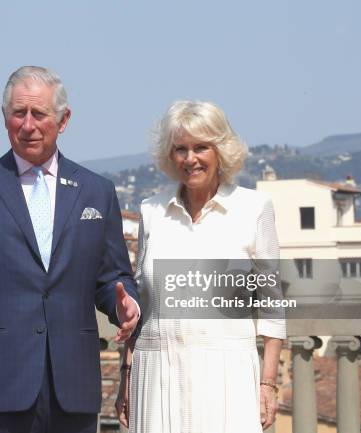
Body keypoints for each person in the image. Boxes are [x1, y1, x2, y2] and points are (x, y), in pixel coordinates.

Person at [0, 66, 141, 433]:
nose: (28, 125)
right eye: (19, 113)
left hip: (73, 385)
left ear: (63, 120)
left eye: (39, 114)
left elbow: (112, 276)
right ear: (5, 118)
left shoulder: (97, 191)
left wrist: (125, 303)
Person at [116, 100, 285, 433]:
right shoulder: (152, 211)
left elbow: (272, 305)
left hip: (227, 374)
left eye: (200, 148)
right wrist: (126, 374)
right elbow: (142, 303)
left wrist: (268, 384)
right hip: (156, 372)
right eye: (180, 149)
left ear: (220, 150)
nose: (189, 158)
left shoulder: (254, 208)